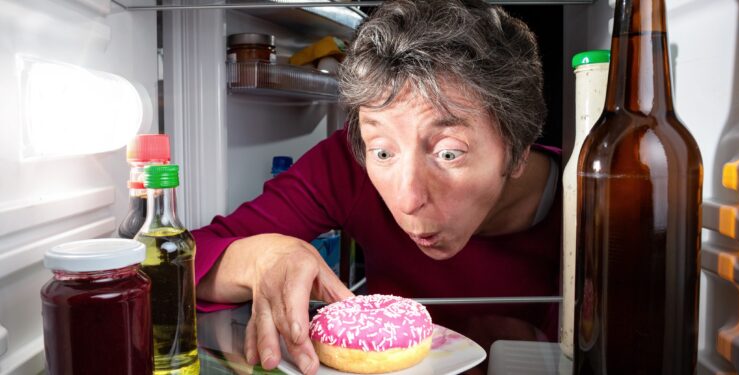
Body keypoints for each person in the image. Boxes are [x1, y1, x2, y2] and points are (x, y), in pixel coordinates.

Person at [193, 0, 560, 374]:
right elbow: (177, 257)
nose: (407, 198)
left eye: (449, 154)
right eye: (383, 152)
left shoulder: (590, 200)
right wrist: (260, 259)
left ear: (517, 151)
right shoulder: (348, 165)